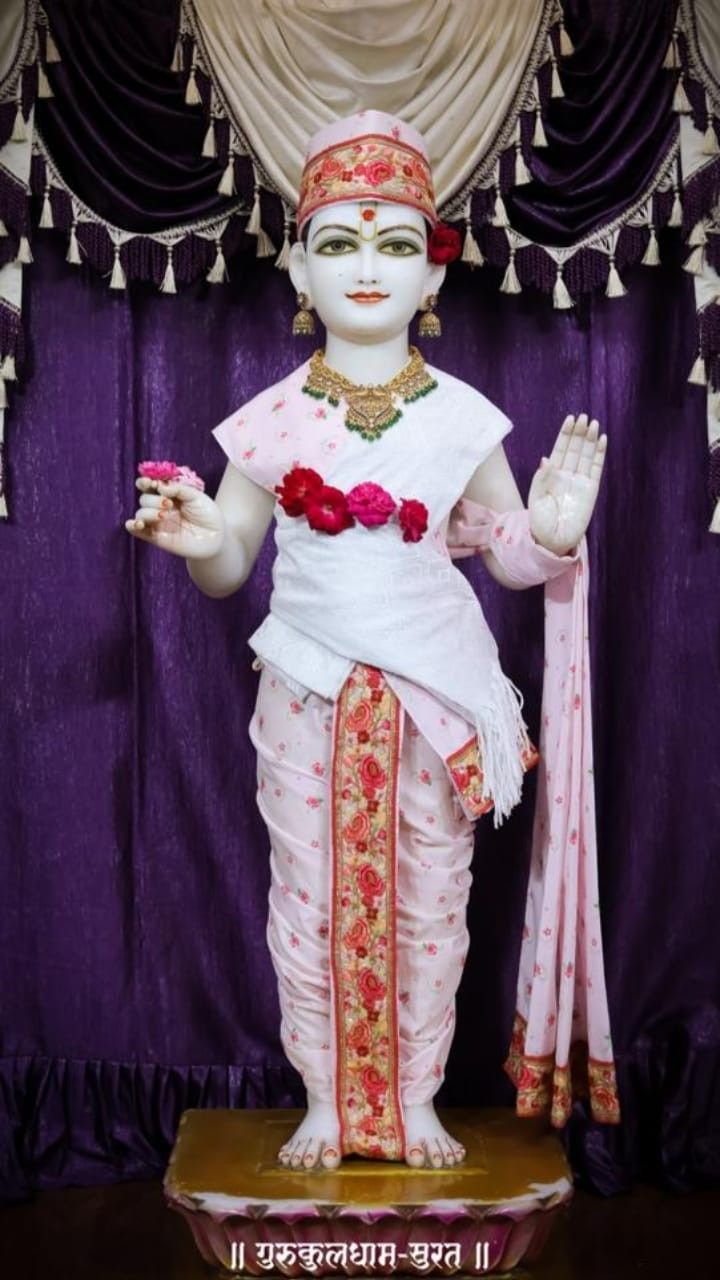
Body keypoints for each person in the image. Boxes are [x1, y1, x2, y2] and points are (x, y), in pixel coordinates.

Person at [125, 111, 615, 1173]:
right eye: (338, 242)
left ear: (432, 277)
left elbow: (511, 557)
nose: (366, 268)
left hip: (435, 701)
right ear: (298, 263)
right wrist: (206, 538)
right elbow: (227, 568)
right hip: (305, 691)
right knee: (308, 898)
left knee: (432, 902)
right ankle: (327, 1102)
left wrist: (556, 532)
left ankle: (414, 1099)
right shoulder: (267, 420)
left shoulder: (463, 419)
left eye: (395, 244)